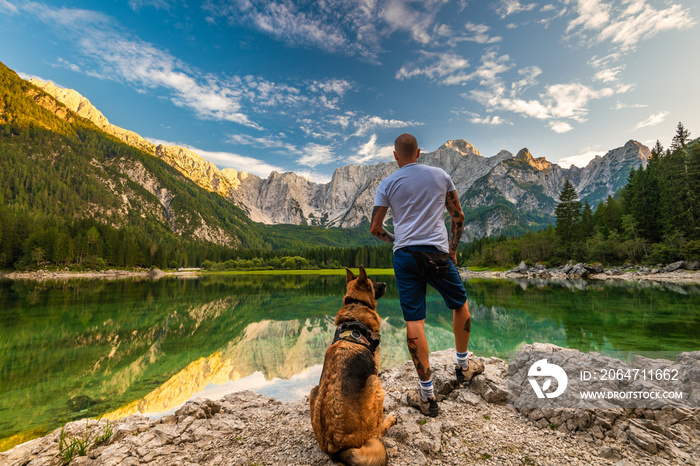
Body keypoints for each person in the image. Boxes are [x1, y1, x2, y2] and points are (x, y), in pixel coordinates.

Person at [370, 133, 483, 417]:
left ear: (395, 156)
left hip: (405, 256)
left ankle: (427, 395)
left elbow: (375, 228)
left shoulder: (387, 183)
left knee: (414, 321)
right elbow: (458, 216)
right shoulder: (441, 175)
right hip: (437, 253)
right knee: (460, 304)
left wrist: (395, 239)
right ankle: (463, 365)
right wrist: (453, 251)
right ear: (418, 152)